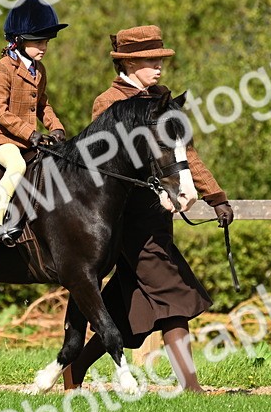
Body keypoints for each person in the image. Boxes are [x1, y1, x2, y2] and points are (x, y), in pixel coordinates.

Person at [67, 25, 234, 392]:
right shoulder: (108, 103)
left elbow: (183, 155)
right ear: (128, 62)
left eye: (160, 59)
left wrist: (215, 196)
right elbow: (104, 167)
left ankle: (74, 370)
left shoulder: (162, 101)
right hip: (124, 220)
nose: (158, 66)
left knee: (130, 309)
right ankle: (191, 387)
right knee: (173, 292)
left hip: (156, 217)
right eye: (150, 60)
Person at [0, 0, 69, 245]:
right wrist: (30, 133)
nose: (44, 47)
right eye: (38, 41)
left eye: (46, 41)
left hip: (27, 138)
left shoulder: (39, 69)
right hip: (1, 139)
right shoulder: (3, 67)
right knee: (17, 166)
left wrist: (56, 127)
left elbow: (42, 105)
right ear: (19, 40)